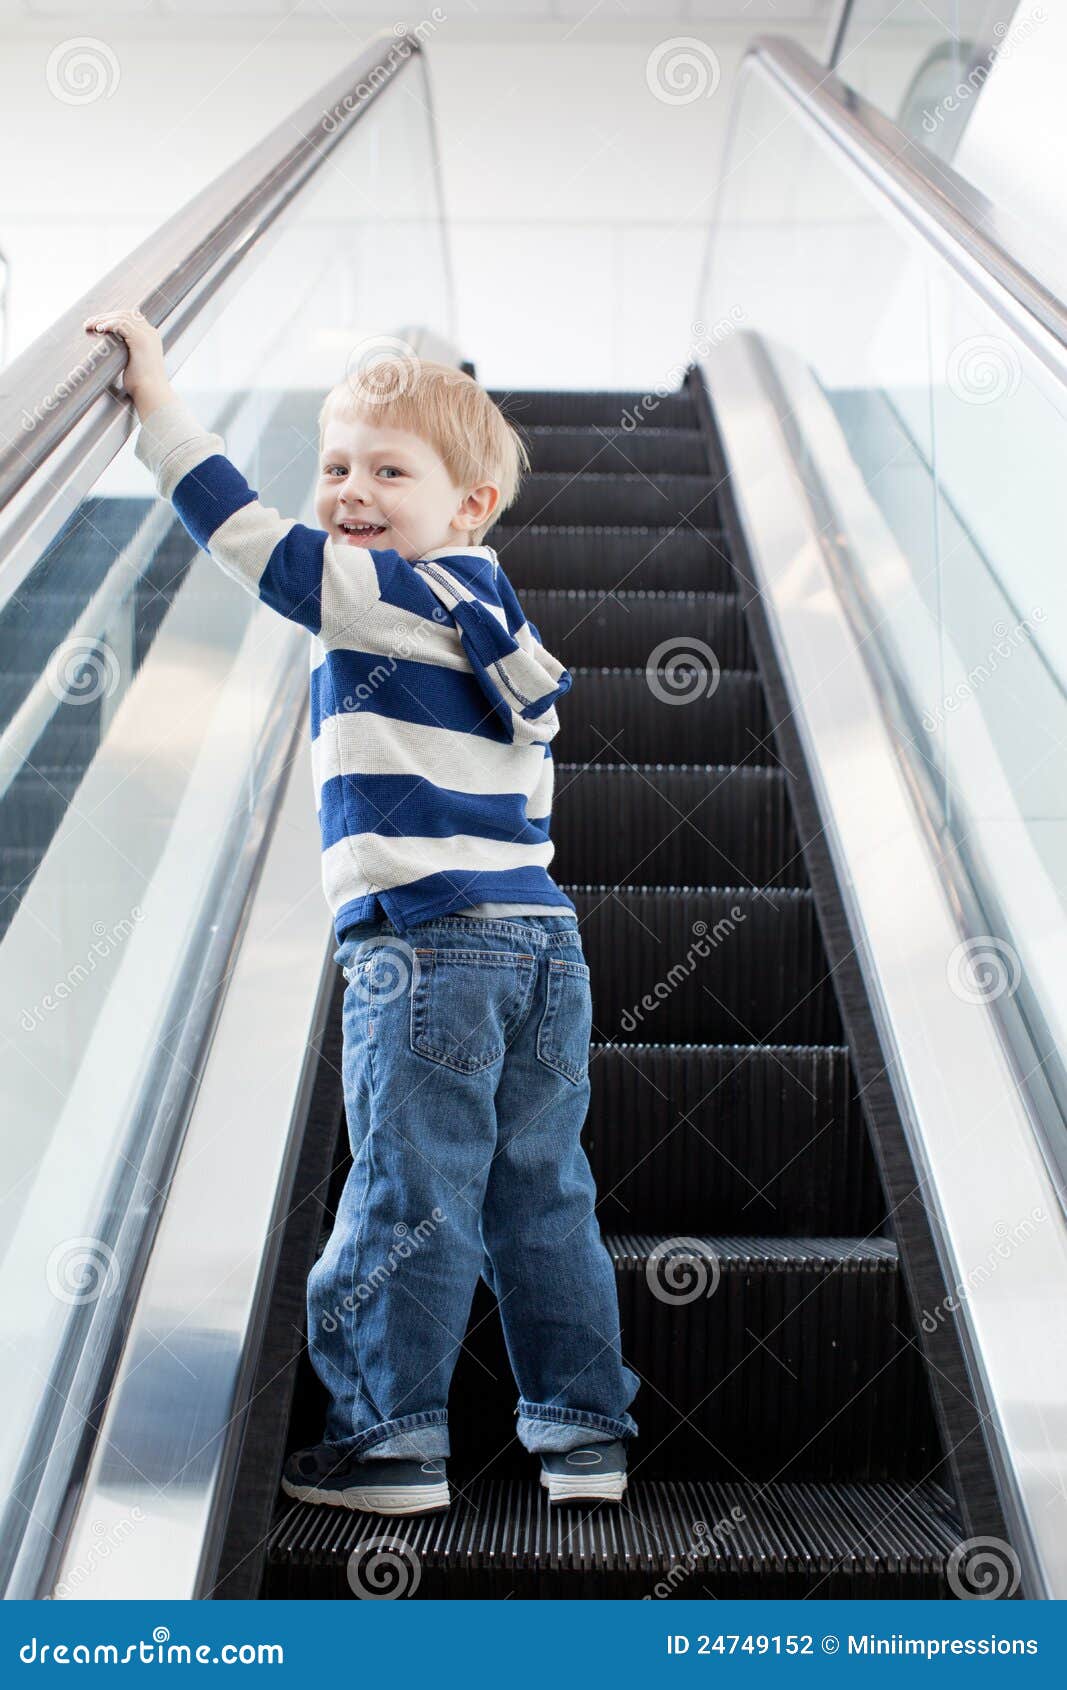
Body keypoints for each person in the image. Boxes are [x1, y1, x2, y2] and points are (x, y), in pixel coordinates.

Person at [83, 308, 640, 1516]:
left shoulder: (391, 592)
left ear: (471, 503)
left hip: (425, 942)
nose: (350, 491)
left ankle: (387, 1439)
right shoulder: (503, 622)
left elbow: (246, 539)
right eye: (334, 465)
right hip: (544, 945)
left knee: (409, 1184)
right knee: (541, 1189)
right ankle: (584, 1433)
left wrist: (159, 405)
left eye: (390, 471)